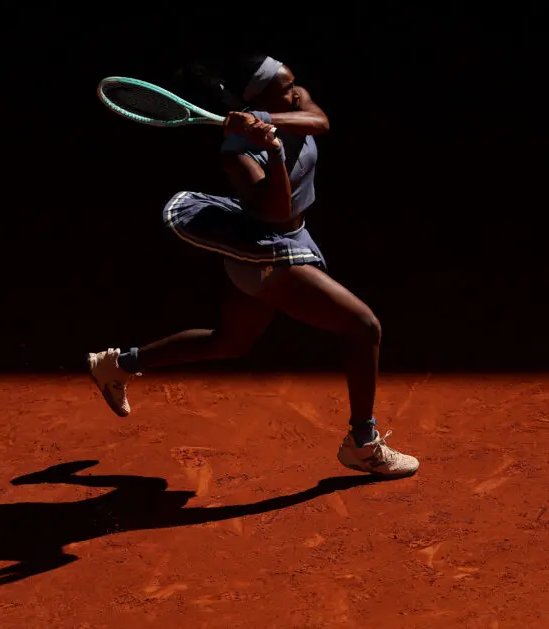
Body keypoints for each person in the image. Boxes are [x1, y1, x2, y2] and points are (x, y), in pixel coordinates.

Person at [87, 54, 419, 478]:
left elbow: (320, 121)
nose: (295, 92)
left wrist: (267, 119)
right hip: (266, 255)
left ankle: (117, 364)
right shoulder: (237, 153)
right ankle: (363, 442)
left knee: (228, 341)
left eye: (293, 83)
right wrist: (274, 151)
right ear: (257, 97)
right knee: (364, 327)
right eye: (284, 88)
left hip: (288, 240)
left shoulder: (290, 104)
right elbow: (277, 211)